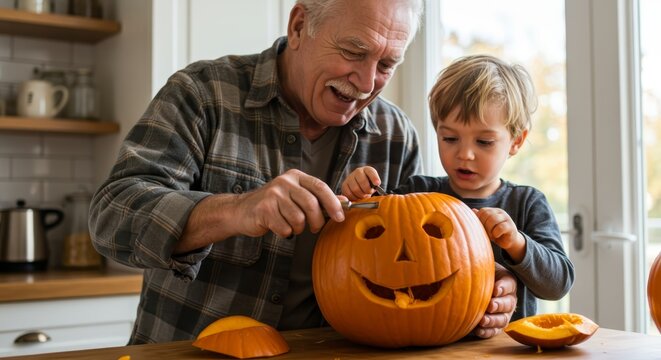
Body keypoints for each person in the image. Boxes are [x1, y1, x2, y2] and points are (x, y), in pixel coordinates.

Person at [89, 1, 517, 344]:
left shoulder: (395, 134)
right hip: (191, 350)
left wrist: (481, 287)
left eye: (387, 64)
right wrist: (238, 210)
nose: (367, 81)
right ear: (299, 27)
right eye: (354, 51)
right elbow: (111, 217)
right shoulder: (203, 94)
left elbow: (415, 262)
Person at [342, 54, 575, 322]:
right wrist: (359, 195)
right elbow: (368, 241)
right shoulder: (417, 192)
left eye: (484, 142)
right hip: (434, 342)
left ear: (515, 141)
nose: (465, 154)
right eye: (450, 138)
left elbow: (558, 284)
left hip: (505, 349)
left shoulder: (527, 203)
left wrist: (517, 243)